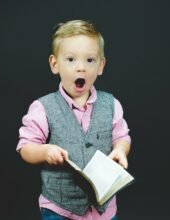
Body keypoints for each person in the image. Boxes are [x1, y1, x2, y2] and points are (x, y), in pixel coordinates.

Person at [16, 19, 131, 220]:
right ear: (55, 64)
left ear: (101, 65)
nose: (81, 68)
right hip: (60, 208)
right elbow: (26, 147)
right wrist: (44, 151)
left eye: (90, 60)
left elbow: (122, 136)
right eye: (71, 60)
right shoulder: (43, 108)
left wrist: (120, 149)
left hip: (103, 209)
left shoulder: (112, 104)